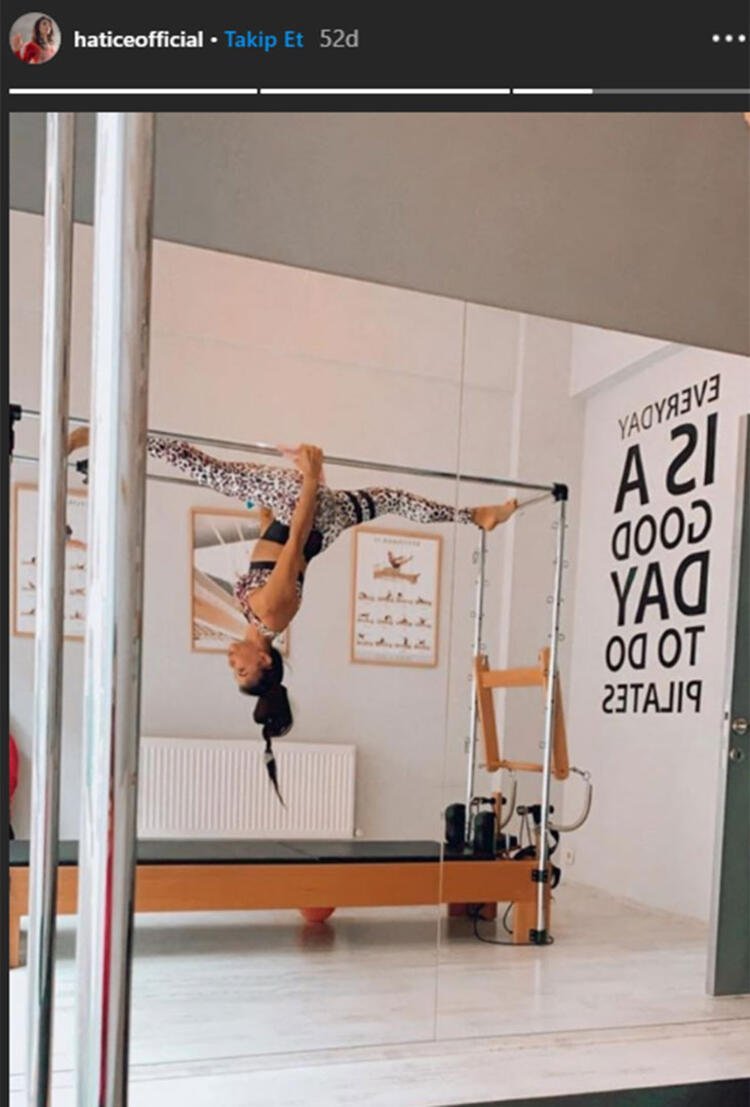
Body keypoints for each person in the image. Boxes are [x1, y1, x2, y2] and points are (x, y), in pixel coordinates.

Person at [67, 428, 517, 798]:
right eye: (241, 669)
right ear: (264, 661)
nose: (231, 661)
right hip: (306, 510)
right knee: (205, 467)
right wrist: (311, 478)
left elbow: (273, 543)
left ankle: (477, 515)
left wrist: (267, 508)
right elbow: (296, 540)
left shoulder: (255, 616)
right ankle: (105, 434)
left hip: (316, 516)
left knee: (394, 499)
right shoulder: (272, 612)